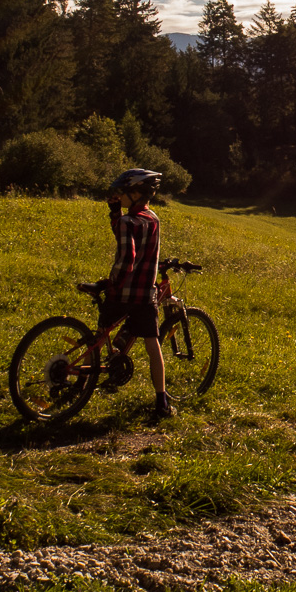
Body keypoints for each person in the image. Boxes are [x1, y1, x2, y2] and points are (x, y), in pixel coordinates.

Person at [101, 167, 174, 419]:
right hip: (144, 296)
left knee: (100, 337)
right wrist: (115, 212)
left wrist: (113, 284)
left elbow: (127, 257)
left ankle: (83, 384)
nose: (118, 194)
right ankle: (161, 401)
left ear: (134, 193)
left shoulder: (124, 222)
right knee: (153, 345)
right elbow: (131, 237)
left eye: (123, 192)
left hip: (122, 294)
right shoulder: (153, 218)